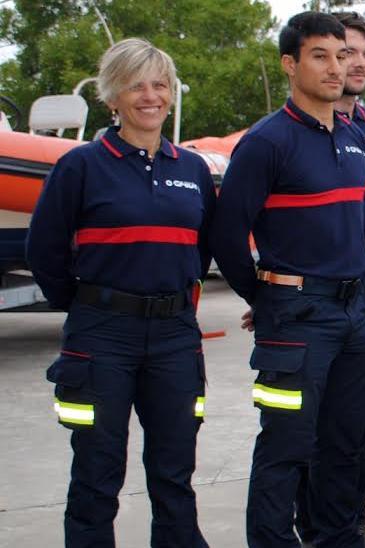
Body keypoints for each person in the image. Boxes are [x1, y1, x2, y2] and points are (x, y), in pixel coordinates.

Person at [27, 38, 214, 548]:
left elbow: (200, 253)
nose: (149, 96)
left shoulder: (192, 170)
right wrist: (93, 304)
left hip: (175, 336)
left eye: (159, 85)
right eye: (135, 85)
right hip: (102, 335)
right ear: (112, 97)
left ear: (171, 96)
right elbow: (44, 251)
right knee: (96, 472)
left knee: (174, 472)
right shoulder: (80, 166)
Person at [210, 12, 365, 547]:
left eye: (342, 55)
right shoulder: (266, 142)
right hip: (298, 320)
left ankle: (336, 538)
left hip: (354, 316)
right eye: (320, 56)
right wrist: (266, 295)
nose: (337, 67)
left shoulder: (352, 137)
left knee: (345, 443)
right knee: (286, 445)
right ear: (290, 64)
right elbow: (226, 235)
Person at [289, 11, 365, 548]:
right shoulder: (300, 129)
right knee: (317, 415)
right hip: (315, 291)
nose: (354, 63)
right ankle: (317, 525)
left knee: (361, 410)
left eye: (363, 53)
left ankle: (352, 518)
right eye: (342, 52)